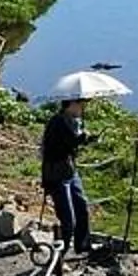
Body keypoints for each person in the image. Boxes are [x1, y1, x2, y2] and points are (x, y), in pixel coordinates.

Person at [40, 94, 92, 255]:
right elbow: (70, 141)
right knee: (68, 218)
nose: (82, 108)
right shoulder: (58, 122)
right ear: (71, 104)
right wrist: (84, 137)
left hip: (70, 171)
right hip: (57, 174)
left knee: (82, 207)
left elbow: (73, 142)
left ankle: (81, 246)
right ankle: (59, 256)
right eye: (80, 104)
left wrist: (84, 137)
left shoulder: (71, 121)